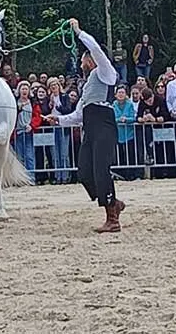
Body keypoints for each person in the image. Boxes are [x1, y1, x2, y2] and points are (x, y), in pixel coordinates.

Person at [44, 18, 123, 233]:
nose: (81, 63)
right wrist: (58, 119)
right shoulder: (88, 85)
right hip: (90, 127)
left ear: (91, 59)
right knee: (85, 172)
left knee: (101, 170)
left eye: (83, 59)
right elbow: (78, 115)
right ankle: (113, 203)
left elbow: (96, 48)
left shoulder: (105, 73)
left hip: (104, 126)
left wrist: (79, 32)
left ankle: (112, 217)